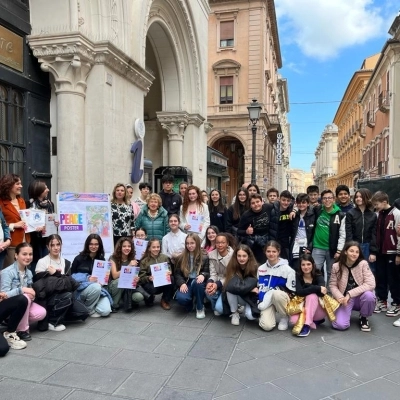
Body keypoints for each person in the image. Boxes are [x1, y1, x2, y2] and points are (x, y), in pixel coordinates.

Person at [0, 242, 46, 341]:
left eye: (30, 254)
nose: (28, 257)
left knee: (41, 312)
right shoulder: (7, 272)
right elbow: (4, 295)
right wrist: (22, 290)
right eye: (24, 254)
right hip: (9, 306)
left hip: (23, 305)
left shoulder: (29, 273)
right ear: (16, 255)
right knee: (25, 297)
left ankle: (14, 321)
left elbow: (29, 290)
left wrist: (32, 295)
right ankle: (22, 330)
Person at [34, 234, 80, 331]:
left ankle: (61, 314)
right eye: (52, 245)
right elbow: (40, 287)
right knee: (67, 296)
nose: (56, 248)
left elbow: (70, 284)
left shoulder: (66, 262)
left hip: (65, 293)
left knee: (83, 312)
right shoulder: (42, 262)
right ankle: (53, 321)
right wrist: (60, 278)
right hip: (48, 297)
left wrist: (55, 274)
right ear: (47, 247)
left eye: (58, 245)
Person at [330, 241, 376, 332]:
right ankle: (343, 312)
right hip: (345, 299)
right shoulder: (336, 266)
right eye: (351, 251)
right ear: (345, 252)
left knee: (369, 296)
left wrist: (349, 294)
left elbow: (371, 284)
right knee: (340, 325)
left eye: (357, 252)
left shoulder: (363, 264)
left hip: (360, 297)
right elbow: (332, 285)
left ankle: (363, 317)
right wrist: (340, 297)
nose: (354, 254)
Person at [371, 191, 400, 320]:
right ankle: (382, 300)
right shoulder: (378, 215)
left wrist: (399, 253)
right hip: (380, 252)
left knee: (393, 279)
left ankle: (397, 303)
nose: (375, 206)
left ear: (384, 202)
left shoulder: (397, 213)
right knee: (381, 277)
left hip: (392, 252)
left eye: (377, 204)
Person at [257, 240, 295, 332]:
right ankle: (266, 315)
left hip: (281, 298)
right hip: (266, 301)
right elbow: (258, 286)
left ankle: (284, 317)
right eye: (268, 251)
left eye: (274, 251)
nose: (271, 254)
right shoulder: (260, 268)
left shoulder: (288, 270)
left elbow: (292, 290)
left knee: (276, 294)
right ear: (265, 252)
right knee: (267, 326)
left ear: (278, 252)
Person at [71, 234, 112, 317]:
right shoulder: (78, 259)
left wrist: (105, 279)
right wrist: (87, 279)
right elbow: (72, 277)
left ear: (99, 245)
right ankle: (88, 310)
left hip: (98, 289)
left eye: (96, 244)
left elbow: (104, 279)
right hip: (82, 290)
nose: (94, 246)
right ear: (87, 245)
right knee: (96, 287)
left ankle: (90, 304)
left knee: (106, 311)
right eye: (91, 244)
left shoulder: (101, 259)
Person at [312, 189, 346, 284]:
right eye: (325, 198)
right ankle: (317, 293)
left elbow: (342, 234)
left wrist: (339, 250)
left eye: (329, 198)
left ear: (333, 199)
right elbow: (302, 207)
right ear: (322, 200)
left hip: (333, 250)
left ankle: (330, 296)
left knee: (331, 273)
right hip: (317, 247)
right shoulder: (317, 210)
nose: (327, 200)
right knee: (314, 271)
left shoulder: (340, 215)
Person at [290, 254, 327, 337]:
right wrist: (316, 288)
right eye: (303, 264)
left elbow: (322, 293)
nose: (306, 267)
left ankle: (307, 326)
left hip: (319, 309)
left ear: (313, 265)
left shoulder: (318, 275)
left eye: (308, 264)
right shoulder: (297, 276)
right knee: (293, 321)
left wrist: (307, 287)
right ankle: (315, 321)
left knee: (312, 296)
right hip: (302, 307)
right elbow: (299, 292)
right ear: (300, 266)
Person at [174, 233, 209, 318]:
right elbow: (177, 274)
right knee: (181, 299)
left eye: (192, 243)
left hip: (198, 281)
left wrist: (203, 275)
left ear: (197, 243)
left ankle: (200, 307)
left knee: (198, 283)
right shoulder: (181, 257)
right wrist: (182, 283)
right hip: (187, 281)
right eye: (187, 243)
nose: (189, 246)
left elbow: (208, 271)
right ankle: (191, 301)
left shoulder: (204, 257)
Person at [27, 180, 59, 270]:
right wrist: (35, 227)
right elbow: (26, 222)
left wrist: (55, 223)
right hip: (34, 239)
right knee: (35, 262)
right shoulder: (28, 204)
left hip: (47, 239)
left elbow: (51, 218)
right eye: (45, 188)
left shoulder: (50, 204)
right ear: (38, 190)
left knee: (47, 261)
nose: (48, 190)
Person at [224, 244, 259, 325]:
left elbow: (256, 284)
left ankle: (243, 307)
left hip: (249, 297)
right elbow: (230, 286)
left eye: (244, 256)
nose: (241, 258)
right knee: (229, 290)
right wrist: (250, 289)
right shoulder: (232, 266)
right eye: (239, 256)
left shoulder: (255, 267)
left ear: (249, 256)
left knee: (251, 316)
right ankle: (235, 313)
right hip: (239, 293)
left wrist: (246, 288)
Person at [0, 173, 30, 267]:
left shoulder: (21, 201)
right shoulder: (1, 203)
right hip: (11, 245)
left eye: (20, 183)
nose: (21, 186)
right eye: (17, 184)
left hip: (25, 243)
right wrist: (14, 225)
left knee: (24, 274)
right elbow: (2, 225)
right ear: (8, 185)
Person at [345, 188, 377, 275]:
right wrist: (349, 248)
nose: (358, 199)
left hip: (368, 246)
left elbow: (374, 234)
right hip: (355, 245)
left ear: (366, 197)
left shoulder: (373, 215)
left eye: (361, 197)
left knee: (368, 271)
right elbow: (348, 232)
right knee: (354, 270)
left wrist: (373, 252)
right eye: (357, 197)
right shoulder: (350, 213)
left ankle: (368, 289)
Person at [107, 237, 144, 310]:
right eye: (124, 246)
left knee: (139, 297)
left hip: (127, 287)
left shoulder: (133, 258)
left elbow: (134, 275)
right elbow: (114, 276)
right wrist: (129, 266)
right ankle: (114, 304)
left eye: (129, 246)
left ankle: (125, 300)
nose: (127, 248)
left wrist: (136, 279)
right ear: (119, 247)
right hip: (114, 286)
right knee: (119, 281)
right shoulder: (113, 258)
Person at [138, 238, 174, 310]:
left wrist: (169, 272)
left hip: (162, 282)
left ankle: (164, 300)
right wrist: (148, 278)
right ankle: (150, 297)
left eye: (158, 247)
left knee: (171, 279)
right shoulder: (144, 261)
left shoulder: (165, 258)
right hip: (151, 284)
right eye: (153, 247)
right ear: (149, 248)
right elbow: (141, 277)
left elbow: (169, 268)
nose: (156, 249)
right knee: (150, 290)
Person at [237, 194, 272, 264]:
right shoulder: (246, 215)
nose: (256, 204)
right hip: (256, 244)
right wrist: (246, 231)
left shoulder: (268, 207)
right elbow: (238, 231)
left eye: (257, 202)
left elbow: (280, 205)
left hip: (268, 240)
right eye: (253, 203)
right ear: (250, 205)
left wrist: (294, 211)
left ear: (262, 202)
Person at [205, 233, 234, 315]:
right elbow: (213, 273)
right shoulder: (212, 255)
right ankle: (218, 302)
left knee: (220, 309)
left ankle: (234, 306)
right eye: (218, 243)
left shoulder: (233, 256)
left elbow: (230, 275)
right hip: (218, 281)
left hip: (229, 284)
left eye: (223, 242)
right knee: (208, 291)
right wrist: (210, 282)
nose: (220, 245)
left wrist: (217, 284)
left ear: (227, 243)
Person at [290, 193, 316, 271]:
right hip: (296, 245)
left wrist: (310, 247)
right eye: (299, 203)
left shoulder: (313, 215)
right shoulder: (295, 215)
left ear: (308, 203)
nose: (301, 205)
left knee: (306, 267)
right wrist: (294, 210)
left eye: (304, 202)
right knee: (295, 266)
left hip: (307, 245)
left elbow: (314, 234)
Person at [269, 190, 294, 261]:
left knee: (285, 263)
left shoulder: (291, 209)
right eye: (283, 200)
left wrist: (294, 210)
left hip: (286, 243)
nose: (286, 202)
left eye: (288, 201)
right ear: (279, 199)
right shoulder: (272, 210)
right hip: (274, 242)